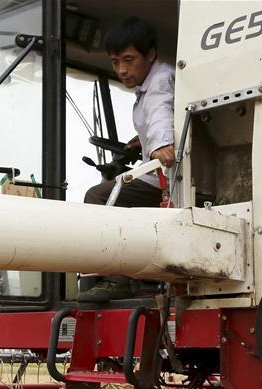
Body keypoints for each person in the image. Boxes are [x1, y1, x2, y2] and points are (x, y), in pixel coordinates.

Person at [78, 17, 175, 303]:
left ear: (151, 55)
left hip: (169, 180)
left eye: (129, 60)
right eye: (115, 61)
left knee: (98, 196)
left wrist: (160, 144)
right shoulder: (147, 85)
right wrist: (141, 141)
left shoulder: (159, 80)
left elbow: (162, 111)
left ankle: (116, 280)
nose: (122, 69)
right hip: (161, 173)